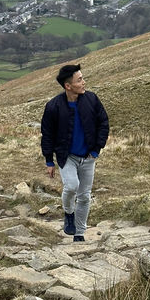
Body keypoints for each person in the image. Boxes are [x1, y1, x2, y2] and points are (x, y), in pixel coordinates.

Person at [41, 64, 109, 242]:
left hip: (88, 157)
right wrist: (49, 161)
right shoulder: (53, 107)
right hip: (67, 157)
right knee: (71, 186)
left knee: (85, 196)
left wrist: (96, 150)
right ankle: (68, 213)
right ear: (68, 86)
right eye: (79, 80)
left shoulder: (92, 99)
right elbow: (47, 135)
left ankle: (79, 233)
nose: (84, 82)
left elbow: (104, 123)